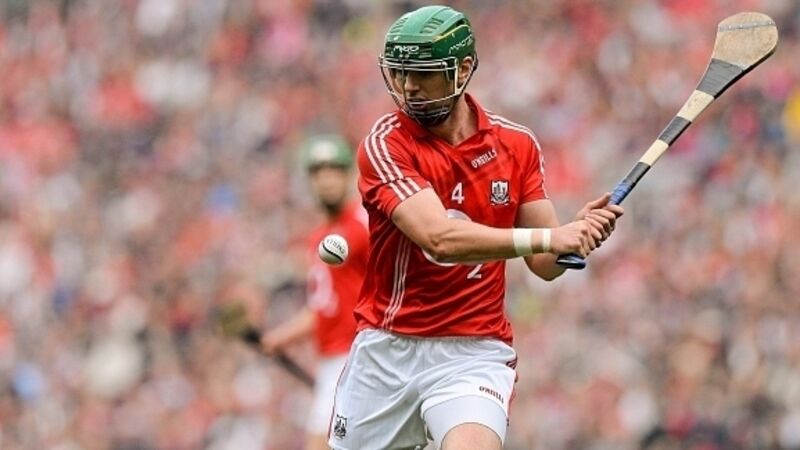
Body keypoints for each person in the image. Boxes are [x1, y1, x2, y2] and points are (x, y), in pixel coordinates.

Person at [328, 5, 624, 450]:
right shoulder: (385, 144)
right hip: (388, 351)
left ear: (463, 70)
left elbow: (545, 263)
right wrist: (553, 237)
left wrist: (579, 236)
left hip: (472, 352)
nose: (408, 87)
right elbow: (439, 239)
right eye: (400, 73)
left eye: (423, 73)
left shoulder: (516, 145)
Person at [260, 134, 368, 450]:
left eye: (335, 170)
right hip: (332, 359)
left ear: (349, 175)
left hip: (359, 355)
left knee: (320, 443)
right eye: (318, 172)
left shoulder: (364, 224)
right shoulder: (320, 236)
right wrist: (280, 338)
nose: (327, 180)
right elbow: (323, 308)